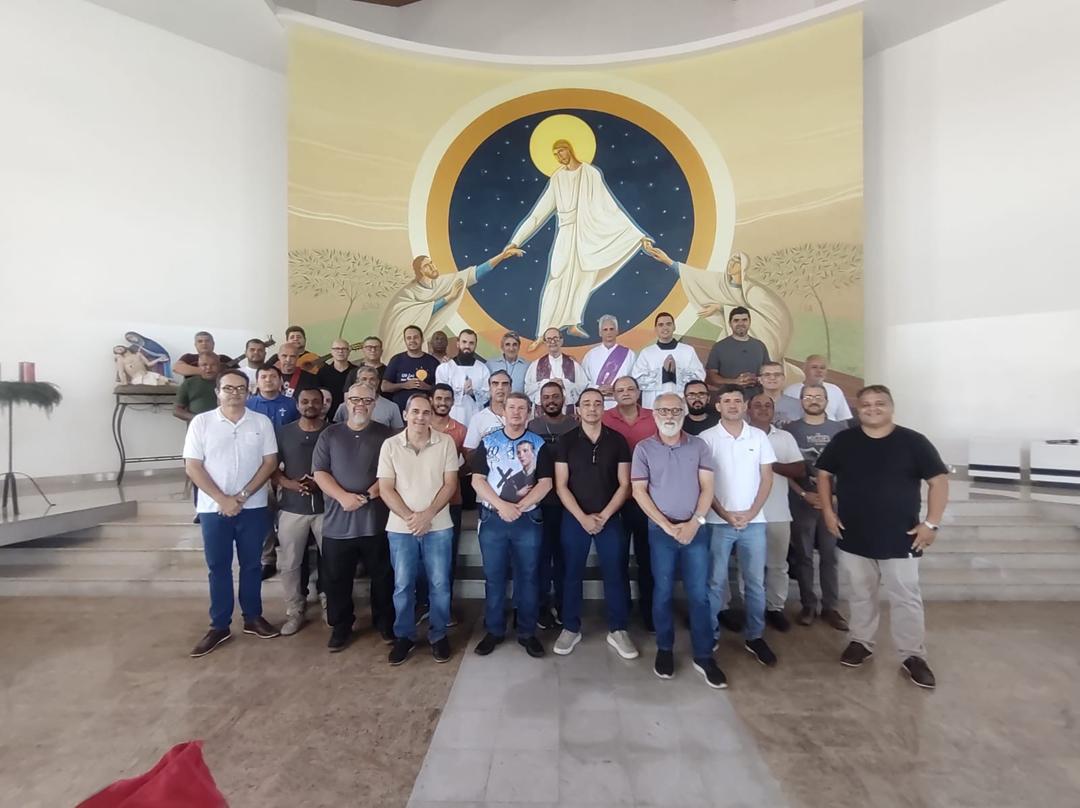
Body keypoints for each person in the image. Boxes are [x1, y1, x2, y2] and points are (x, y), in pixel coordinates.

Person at [816, 385, 949, 689]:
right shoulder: (844, 441)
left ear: (891, 407)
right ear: (857, 409)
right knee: (861, 592)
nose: (872, 409)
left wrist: (931, 524)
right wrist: (828, 512)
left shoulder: (913, 442)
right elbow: (823, 474)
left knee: (906, 597)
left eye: (879, 403)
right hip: (853, 533)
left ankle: (913, 655)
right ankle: (861, 641)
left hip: (901, 536)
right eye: (866, 404)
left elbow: (939, 481)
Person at [506, 138, 648, 348]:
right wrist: (515, 241)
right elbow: (538, 214)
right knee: (556, 278)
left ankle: (573, 322)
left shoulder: (591, 173)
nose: (559, 156)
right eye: (555, 154)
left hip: (588, 233)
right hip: (566, 233)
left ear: (570, 149)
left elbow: (609, 207)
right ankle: (542, 333)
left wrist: (636, 235)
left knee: (584, 279)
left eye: (561, 151)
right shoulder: (557, 178)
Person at [630, 393, 725, 688]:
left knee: (699, 595)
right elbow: (639, 492)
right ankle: (665, 649)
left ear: (683, 412)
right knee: (662, 593)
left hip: (695, 530)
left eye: (674, 410)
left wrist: (694, 523)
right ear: (654, 414)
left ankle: (704, 656)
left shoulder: (699, 446)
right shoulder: (644, 449)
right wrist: (667, 526)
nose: (669, 415)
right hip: (661, 532)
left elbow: (707, 488)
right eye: (663, 410)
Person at [183, 369, 280, 657]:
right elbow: (193, 466)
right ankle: (219, 625)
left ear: (249, 392)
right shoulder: (201, 423)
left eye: (240, 388)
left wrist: (243, 496)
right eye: (228, 388)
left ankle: (253, 617)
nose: (235, 393)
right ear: (218, 392)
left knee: (252, 565)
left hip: (253, 506)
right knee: (219, 566)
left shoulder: (261, 422)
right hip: (213, 509)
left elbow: (269, 462)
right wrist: (222, 499)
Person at [311, 383, 396, 652]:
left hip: (376, 522)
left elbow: (392, 473)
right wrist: (343, 497)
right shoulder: (330, 434)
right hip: (338, 522)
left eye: (367, 400)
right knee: (337, 580)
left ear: (374, 403)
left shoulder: (386, 436)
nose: (361, 404)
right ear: (346, 401)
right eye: (356, 399)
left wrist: (368, 496)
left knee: (382, 578)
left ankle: (385, 623)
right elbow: (320, 472)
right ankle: (341, 626)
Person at [469, 392, 554, 659]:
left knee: (528, 577)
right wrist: (501, 506)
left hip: (527, 520)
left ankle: (527, 632)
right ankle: (494, 630)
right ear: (503, 411)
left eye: (522, 408)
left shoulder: (539, 444)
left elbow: (546, 483)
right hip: (493, 519)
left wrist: (519, 506)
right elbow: (477, 480)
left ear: (529, 413)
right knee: (494, 576)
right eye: (511, 407)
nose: (516, 412)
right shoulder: (488, 442)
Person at [698, 386, 778, 667]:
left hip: (754, 523)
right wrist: (725, 513)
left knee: (755, 583)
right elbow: (703, 482)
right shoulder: (706, 439)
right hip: (717, 522)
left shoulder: (758, 436)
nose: (732, 405)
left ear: (745, 406)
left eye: (737, 401)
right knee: (715, 582)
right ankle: (710, 635)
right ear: (717, 406)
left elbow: (767, 478)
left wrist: (752, 512)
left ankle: (755, 636)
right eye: (726, 401)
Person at [378, 393, 460, 665]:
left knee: (439, 584)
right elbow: (385, 488)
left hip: (438, 526)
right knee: (403, 585)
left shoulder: (445, 442)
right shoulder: (390, 445)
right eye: (415, 411)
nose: (420, 417)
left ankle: (439, 635)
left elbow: (450, 484)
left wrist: (428, 515)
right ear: (405, 414)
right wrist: (411, 518)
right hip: (401, 528)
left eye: (426, 412)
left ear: (431, 415)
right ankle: (404, 636)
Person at [553, 388, 636, 658]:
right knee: (571, 572)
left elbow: (625, 484)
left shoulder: (617, 440)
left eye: (597, 403)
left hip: (609, 518)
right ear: (578, 409)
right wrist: (582, 517)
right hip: (575, 517)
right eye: (586, 404)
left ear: (603, 408)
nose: (592, 408)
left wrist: (604, 516)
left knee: (616, 572)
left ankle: (618, 629)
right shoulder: (566, 441)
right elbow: (561, 485)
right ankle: (570, 627)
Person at [642, 244, 801, 384]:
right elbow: (695, 276)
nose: (732, 263)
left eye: (736, 261)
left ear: (743, 267)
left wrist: (721, 307)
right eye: (731, 260)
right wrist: (668, 261)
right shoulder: (721, 284)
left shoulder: (753, 291)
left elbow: (772, 316)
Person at [784, 383, 850, 629]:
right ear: (801, 400)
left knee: (830, 556)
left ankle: (831, 607)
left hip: (833, 503)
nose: (813, 400)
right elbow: (782, 468)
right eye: (808, 396)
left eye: (818, 396)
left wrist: (836, 497)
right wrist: (802, 493)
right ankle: (808, 605)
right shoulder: (790, 430)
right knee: (803, 556)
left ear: (827, 401)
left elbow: (849, 467)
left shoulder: (840, 430)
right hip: (803, 502)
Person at [379, 249, 522, 357]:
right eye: (427, 266)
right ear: (420, 271)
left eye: (431, 263)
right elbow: (414, 314)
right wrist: (448, 298)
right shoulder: (409, 292)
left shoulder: (441, 283)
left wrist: (502, 256)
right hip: (401, 347)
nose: (433, 267)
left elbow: (473, 274)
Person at [602, 375, 658, 631]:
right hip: (615, 499)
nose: (625, 393)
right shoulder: (604, 418)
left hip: (648, 499)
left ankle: (650, 612)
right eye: (620, 390)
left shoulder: (654, 417)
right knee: (618, 559)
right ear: (613, 395)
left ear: (638, 392)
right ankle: (621, 612)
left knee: (648, 559)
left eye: (630, 389)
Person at [746, 393, 806, 632]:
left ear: (773, 411)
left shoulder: (785, 437)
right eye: (757, 405)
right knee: (749, 567)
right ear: (748, 410)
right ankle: (752, 608)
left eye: (767, 405)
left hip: (778, 512)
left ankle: (775, 608)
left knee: (778, 565)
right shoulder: (740, 435)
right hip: (747, 514)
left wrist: (767, 463)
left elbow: (799, 469)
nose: (762, 409)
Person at [272, 388, 327, 636]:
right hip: (292, 507)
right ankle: (295, 609)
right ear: (297, 404)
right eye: (305, 401)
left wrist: (321, 483)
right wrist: (290, 484)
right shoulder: (283, 433)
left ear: (323, 405)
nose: (310, 405)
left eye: (315, 401)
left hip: (327, 507)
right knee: (291, 563)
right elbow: (271, 468)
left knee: (331, 559)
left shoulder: (333, 431)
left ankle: (329, 602)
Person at [415, 383, 468, 625]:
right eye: (439, 398)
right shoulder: (418, 426)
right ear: (431, 400)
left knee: (446, 558)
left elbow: (471, 461)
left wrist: (451, 475)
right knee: (418, 557)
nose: (443, 403)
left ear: (453, 402)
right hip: (418, 502)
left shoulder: (460, 430)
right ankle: (421, 605)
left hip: (450, 501)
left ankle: (443, 607)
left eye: (447, 399)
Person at [527, 381, 578, 628]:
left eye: (555, 396)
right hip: (540, 502)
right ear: (540, 401)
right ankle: (541, 607)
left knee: (563, 558)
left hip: (568, 502)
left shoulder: (575, 425)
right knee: (541, 557)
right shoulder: (532, 426)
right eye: (546, 397)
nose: (551, 401)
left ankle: (563, 605)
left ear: (563, 399)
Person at [632, 312, 705, 408]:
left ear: (674, 327)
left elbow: (699, 377)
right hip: (654, 405)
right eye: (661, 325)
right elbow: (637, 381)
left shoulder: (688, 350)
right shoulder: (646, 353)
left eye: (668, 324)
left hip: (681, 403)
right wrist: (663, 373)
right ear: (655, 329)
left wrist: (675, 372)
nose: (665, 328)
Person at [704, 307, 770, 398]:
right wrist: (735, 382)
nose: (740, 323)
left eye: (744, 320)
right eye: (736, 320)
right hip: (729, 400)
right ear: (730, 323)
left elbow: (768, 373)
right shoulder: (719, 347)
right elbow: (710, 377)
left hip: (756, 401)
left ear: (750, 322)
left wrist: (756, 379)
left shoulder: (760, 346)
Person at [435, 329, 490, 426]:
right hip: (452, 417)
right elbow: (441, 395)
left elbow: (487, 395)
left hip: (476, 418)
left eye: (471, 343)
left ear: (475, 345)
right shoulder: (444, 368)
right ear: (458, 343)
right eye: (464, 342)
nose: (467, 346)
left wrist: (473, 393)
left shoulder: (483, 368)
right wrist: (462, 391)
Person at [524, 328, 587, 412]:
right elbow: (528, 389)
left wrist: (564, 383)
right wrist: (547, 383)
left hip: (566, 412)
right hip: (543, 413)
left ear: (561, 341)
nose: (552, 342)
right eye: (549, 339)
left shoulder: (573, 365)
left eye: (555, 338)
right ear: (545, 343)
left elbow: (582, 387)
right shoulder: (535, 365)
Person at [582, 315, 636, 409]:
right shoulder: (590, 355)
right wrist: (597, 389)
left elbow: (634, 380)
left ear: (617, 331)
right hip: (596, 404)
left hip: (621, 404)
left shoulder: (629, 354)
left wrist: (617, 389)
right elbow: (583, 381)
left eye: (611, 329)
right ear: (600, 333)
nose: (609, 332)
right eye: (605, 330)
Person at [383, 325, 440, 413]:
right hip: (399, 412)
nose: (412, 340)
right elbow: (384, 387)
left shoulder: (433, 362)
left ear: (422, 339)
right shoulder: (396, 360)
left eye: (415, 337)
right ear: (405, 341)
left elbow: (441, 390)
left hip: (425, 413)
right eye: (409, 338)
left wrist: (427, 387)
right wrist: (404, 385)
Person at [784, 355, 854, 423]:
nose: (819, 371)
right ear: (804, 369)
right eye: (814, 367)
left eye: (822, 368)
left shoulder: (835, 390)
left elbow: (843, 418)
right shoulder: (791, 391)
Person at [333, 366, 404, 430]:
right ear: (357, 381)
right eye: (364, 379)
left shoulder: (392, 407)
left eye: (372, 379)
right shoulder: (345, 407)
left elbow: (398, 433)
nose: (368, 382)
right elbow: (336, 431)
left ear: (378, 382)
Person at [463, 370, 511, 452]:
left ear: (510, 388)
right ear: (489, 388)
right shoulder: (478, 418)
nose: (500, 387)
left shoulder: (519, 415)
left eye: (505, 384)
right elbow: (470, 450)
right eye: (495, 384)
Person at [174, 354, 221, 422]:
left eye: (213, 365)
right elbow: (176, 410)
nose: (209, 368)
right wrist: (198, 419)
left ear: (219, 366)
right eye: (204, 365)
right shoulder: (189, 383)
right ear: (199, 366)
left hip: (222, 425)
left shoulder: (227, 382)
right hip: (197, 425)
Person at [317, 339, 356, 416]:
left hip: (351, 413)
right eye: (337, 348)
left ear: (349, 351)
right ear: (331, 352)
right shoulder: (322, 372)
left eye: (344, 349)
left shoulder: (356, 371)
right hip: (328, 414)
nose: (340, 351)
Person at [758, 361, 803, 428]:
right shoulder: (751, 405)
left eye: (777, 374)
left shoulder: (798, 405)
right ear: (760, 379)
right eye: (767, 375)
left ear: (783, 378)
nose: (772, 378)